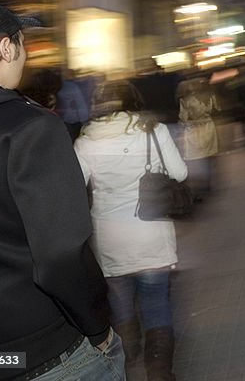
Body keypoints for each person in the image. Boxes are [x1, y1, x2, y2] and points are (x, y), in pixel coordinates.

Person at [0, 0, 123, 380]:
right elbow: (60, 255)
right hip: (43, 352)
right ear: (5, 47)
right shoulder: (27, 128)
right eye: (22, 42)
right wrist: (98, 327)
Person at [75, 80, 187, 380]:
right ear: (133, 100)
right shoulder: (153, 131)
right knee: (157, 303)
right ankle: (160, 371)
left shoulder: (85, 142)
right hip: (150, 233)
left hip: (110, 237)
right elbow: (180, 172)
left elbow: (75, 188)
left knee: (119, 302)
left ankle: (127, 354)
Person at [178, 75, 219, 200]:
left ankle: (197, 188)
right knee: (208, 157)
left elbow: (183, 117)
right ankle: (207, 185)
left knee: (194, 159)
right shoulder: (210, 96)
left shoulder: (186, 100)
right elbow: (217, 109)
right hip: (209, 128)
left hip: (194, 130)